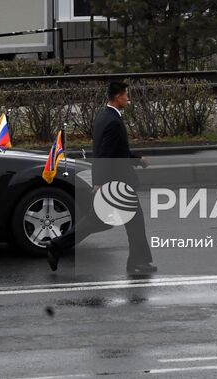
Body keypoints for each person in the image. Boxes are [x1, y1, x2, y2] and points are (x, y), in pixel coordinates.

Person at [46, 79, 156, 276]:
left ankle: (57, 245)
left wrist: (137, 159)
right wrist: (99, 183)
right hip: (117, 183)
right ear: (117, 97)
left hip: (113, 181)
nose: (128, 99)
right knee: (133, 222)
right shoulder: (113, 121)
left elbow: (116, 151)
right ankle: (138, 262)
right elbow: (105, 154)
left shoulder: (103, 116)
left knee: (99, 221)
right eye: (126, 95)